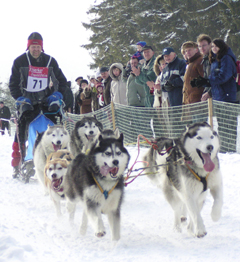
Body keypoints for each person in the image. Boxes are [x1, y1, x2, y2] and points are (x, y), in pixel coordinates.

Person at [9, 32, 68, 177]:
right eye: (33, 46)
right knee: (22, 129)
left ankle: (58, 157)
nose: (36, 49)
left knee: (55, 129)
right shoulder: (19, 62)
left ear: (42, 47)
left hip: (46, 103)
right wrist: (21, 98)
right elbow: (13, 84)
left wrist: (57, 95)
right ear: (28, 47)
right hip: (28, 102)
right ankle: (21, 161)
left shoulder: (50, 61)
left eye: (38, 46)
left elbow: (62, 81)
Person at [208, 38, 237, 102]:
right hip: (217, 94)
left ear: (221, 47)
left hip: (226, 94)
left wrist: (208, 80)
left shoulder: (226, 58)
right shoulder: (214, 59)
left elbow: (224, 76)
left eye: (216, 46)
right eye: (212, 46)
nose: (214, 48)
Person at [196, 34, 213, 101]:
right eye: (200, 46)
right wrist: (205, 92)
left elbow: (219, 78)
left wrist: (210, 92)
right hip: (210, 96)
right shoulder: (205, 60)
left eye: (204, 45)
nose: (202, 48)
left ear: (210, 44)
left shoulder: (215, 58)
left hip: (220, 95)